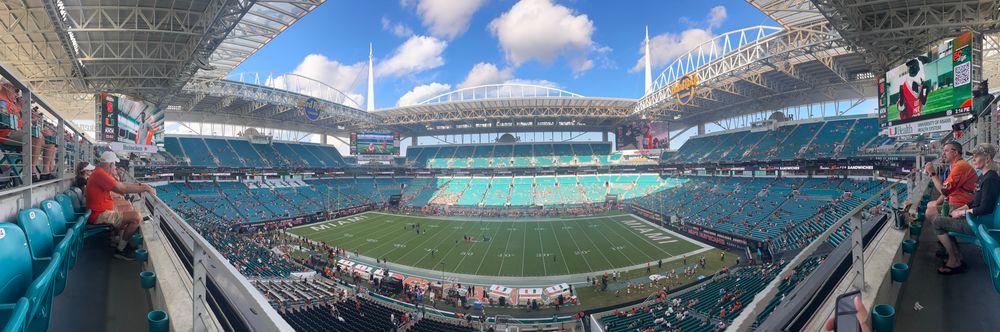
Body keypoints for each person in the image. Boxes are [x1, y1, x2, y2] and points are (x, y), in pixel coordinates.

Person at [932, 143, 999, 274]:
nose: (973, 159)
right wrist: (962, 208)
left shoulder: (990, 179)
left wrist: (961, 212)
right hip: (975, 220)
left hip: (979, 225)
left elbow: (985, 208)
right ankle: (956, 256)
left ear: (987, 158)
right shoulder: (984, 177)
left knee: (937, 222)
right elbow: (975, 201)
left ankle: (954, 260)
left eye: (977, 156)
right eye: (972, 156)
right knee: (944, 217)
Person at [86, 151, 157, 260]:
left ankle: (117, 238)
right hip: (99, 215)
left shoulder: (99, 173)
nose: (115, 167)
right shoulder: (100, 174)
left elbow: (121, 186)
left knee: (128, 207)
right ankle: (121, 250)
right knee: (137, 217)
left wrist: (142, 185)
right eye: (114, 164)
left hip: (101, 211)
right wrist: (145, 188)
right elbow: (122, 189)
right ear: (110, 165)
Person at [923, 142, 977, 222]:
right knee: (930, 204)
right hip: (954, 199)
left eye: (946, 151)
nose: (943, 154)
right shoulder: (954, 166)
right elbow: (948, 190)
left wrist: (932, 173)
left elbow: (944, 191)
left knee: (929, 212)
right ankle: (942, 224)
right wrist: (937, 202)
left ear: (955, 153)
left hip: (962, 204)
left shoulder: (960, 166)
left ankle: (942, 227)